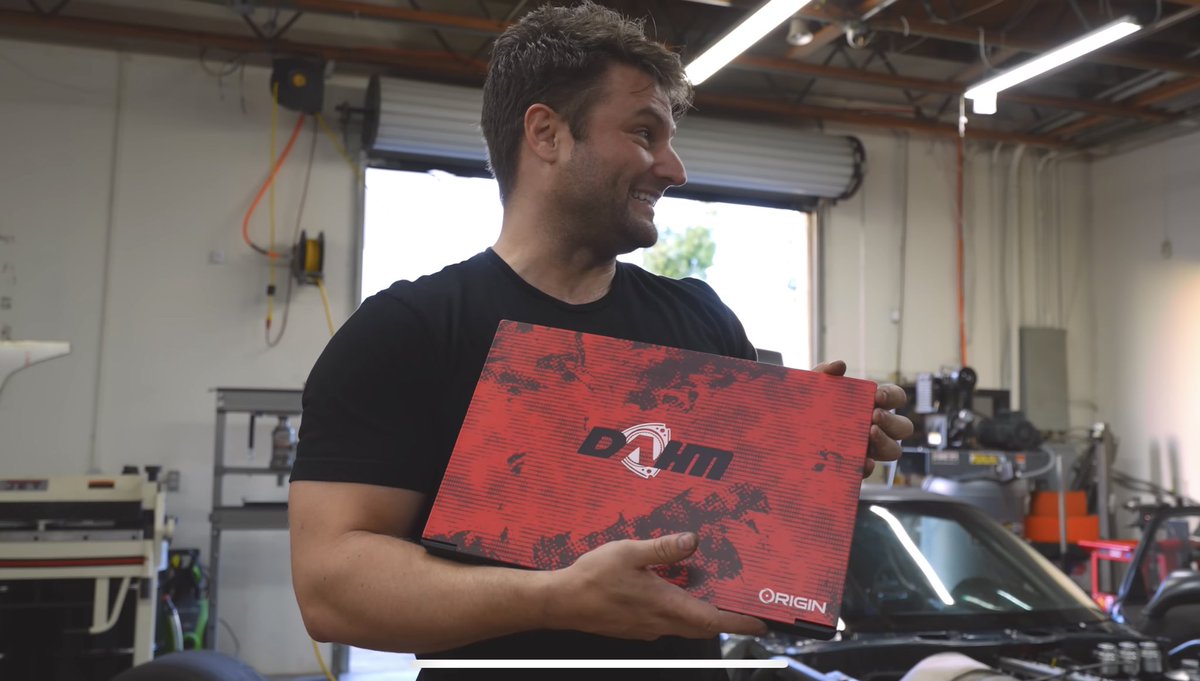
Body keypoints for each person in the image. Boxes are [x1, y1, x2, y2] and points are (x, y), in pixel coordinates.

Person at [288, 2, 913, 678]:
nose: (674, 168)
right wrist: (554, 598)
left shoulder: (703, 321)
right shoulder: (409, 331)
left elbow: (737, 534)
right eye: (645, 133)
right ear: (547, 134)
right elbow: (330, 586)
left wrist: (807, 450)